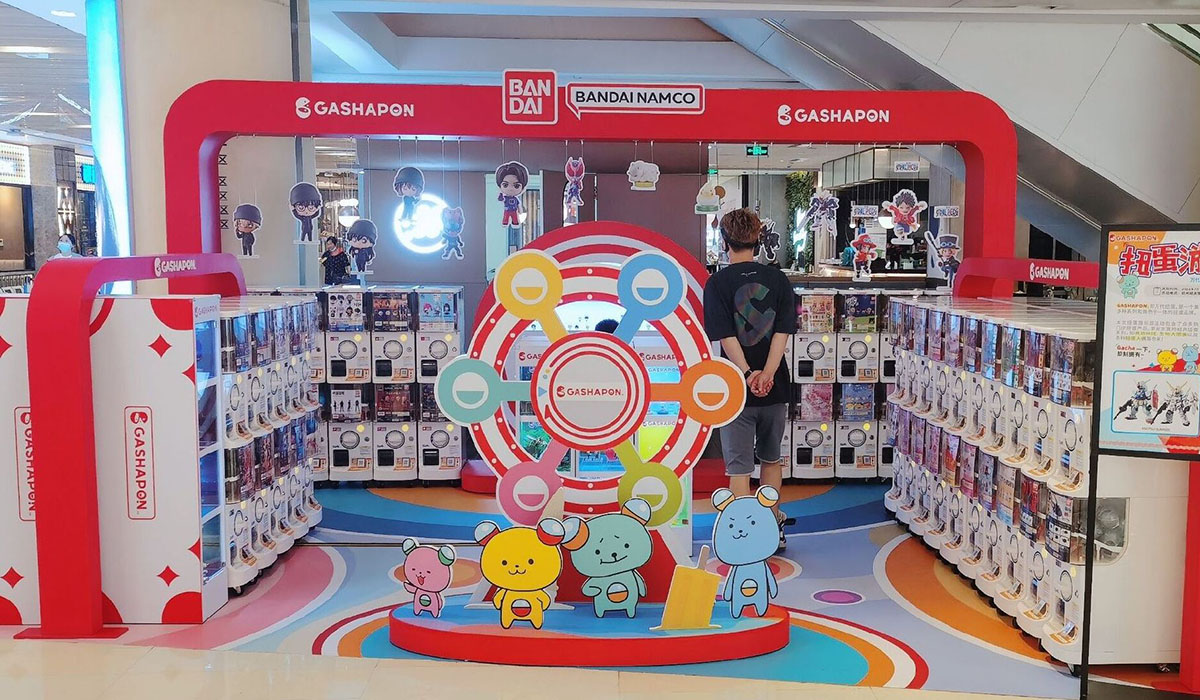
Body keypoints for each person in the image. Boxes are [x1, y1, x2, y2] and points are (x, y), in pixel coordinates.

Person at [703, 208, 797, 552]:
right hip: (776, 385)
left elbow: (726, 336)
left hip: (735, 387)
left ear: (725, 241)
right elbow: (783, 332)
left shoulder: (717, 284)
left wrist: (746, 374)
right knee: (771, 460)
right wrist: (768, 373)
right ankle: (773, 528)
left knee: (739, 467)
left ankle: (742, 538)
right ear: (759, 240)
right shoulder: (779, 280)